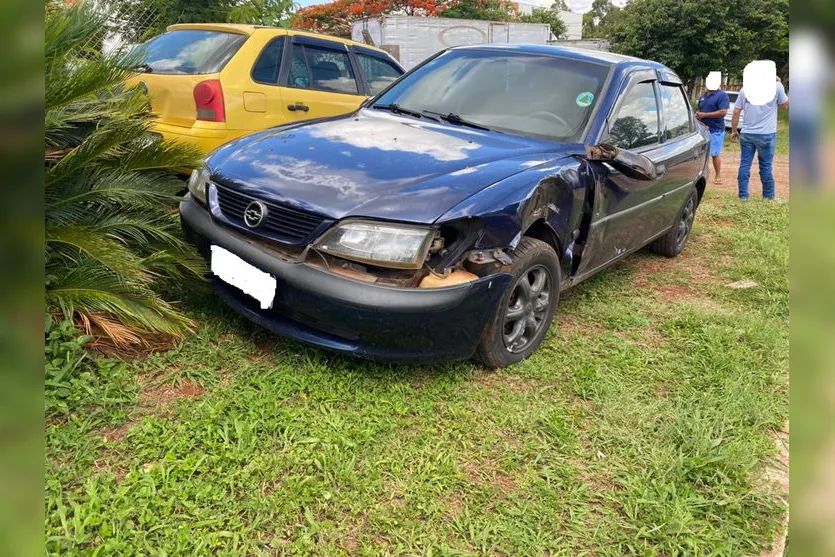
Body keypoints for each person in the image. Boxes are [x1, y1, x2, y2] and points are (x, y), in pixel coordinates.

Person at [730, 77, 789, 200]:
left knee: (745, 165)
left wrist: (734, 130)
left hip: (747, 133)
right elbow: (785, 106)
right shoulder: (776, 86)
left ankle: (743, 196)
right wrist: (779, 84)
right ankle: (768, 196)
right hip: (766, 134)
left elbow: (736, 111)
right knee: (766, 166)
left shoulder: (744, 89)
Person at [695, 72, 730, 185]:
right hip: (702, 130)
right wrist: (698, 115)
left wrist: (704, 115)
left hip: (716, 130)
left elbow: (723, 112)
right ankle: (700, 175)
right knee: (700, 154)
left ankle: (718, 175)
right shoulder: (703, 96)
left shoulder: (722, 95)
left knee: (714, 154)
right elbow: (700, 110)